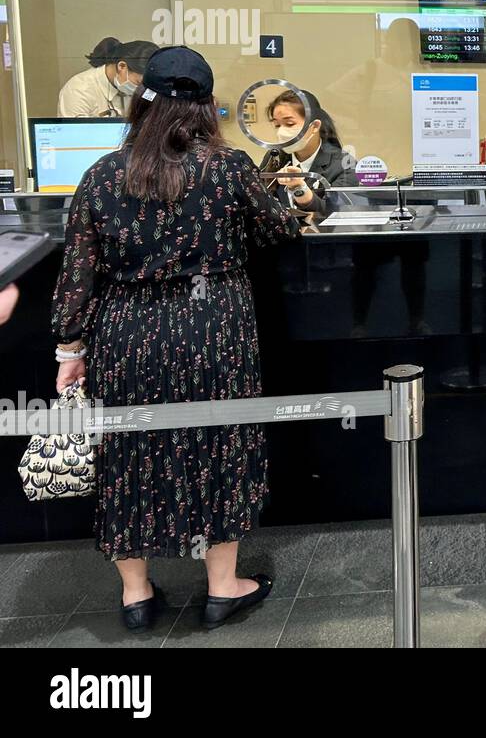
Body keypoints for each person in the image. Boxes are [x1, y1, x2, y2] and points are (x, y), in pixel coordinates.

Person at [51, 46, 301, 630]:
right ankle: (222, 588)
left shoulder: (103, 175)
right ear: (209, 107)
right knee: (221, 444)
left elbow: (77, 273)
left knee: (130, 453)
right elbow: (278, 231)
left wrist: (70, 350)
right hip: (214, 326)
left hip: (129, 331)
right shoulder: (229, 167)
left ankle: (136, 596)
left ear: (141, 103)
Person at [258, 88, 357, 214]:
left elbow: (337, 212)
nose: (281, 132)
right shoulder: (274, 157)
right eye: (277, 125)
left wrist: (300, 189)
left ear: (314, 126)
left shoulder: (345, 164)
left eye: (289, 124)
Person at [57, 39, 158, 118]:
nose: (142, 89)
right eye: (139, 82)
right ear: (122, 66)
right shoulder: (79, 90)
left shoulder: (145, 91)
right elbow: (75, 139)